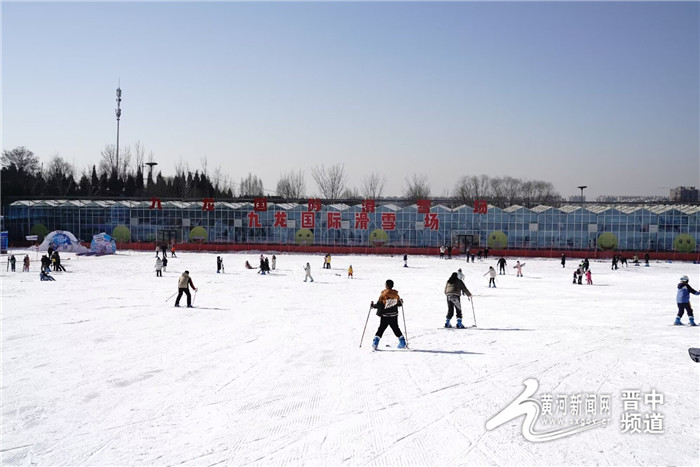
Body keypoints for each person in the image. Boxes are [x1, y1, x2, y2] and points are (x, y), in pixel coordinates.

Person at [371, 279, 406, 349]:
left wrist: (372, 306)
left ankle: (375, 343)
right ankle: (402, 343)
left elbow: (379, 304)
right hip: (394, 315)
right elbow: (398, 304)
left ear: (386, 285)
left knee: (381, 329)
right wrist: (400, 302)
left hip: (385, 315)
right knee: (396, 328)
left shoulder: (383, 294)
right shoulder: (396, 294)